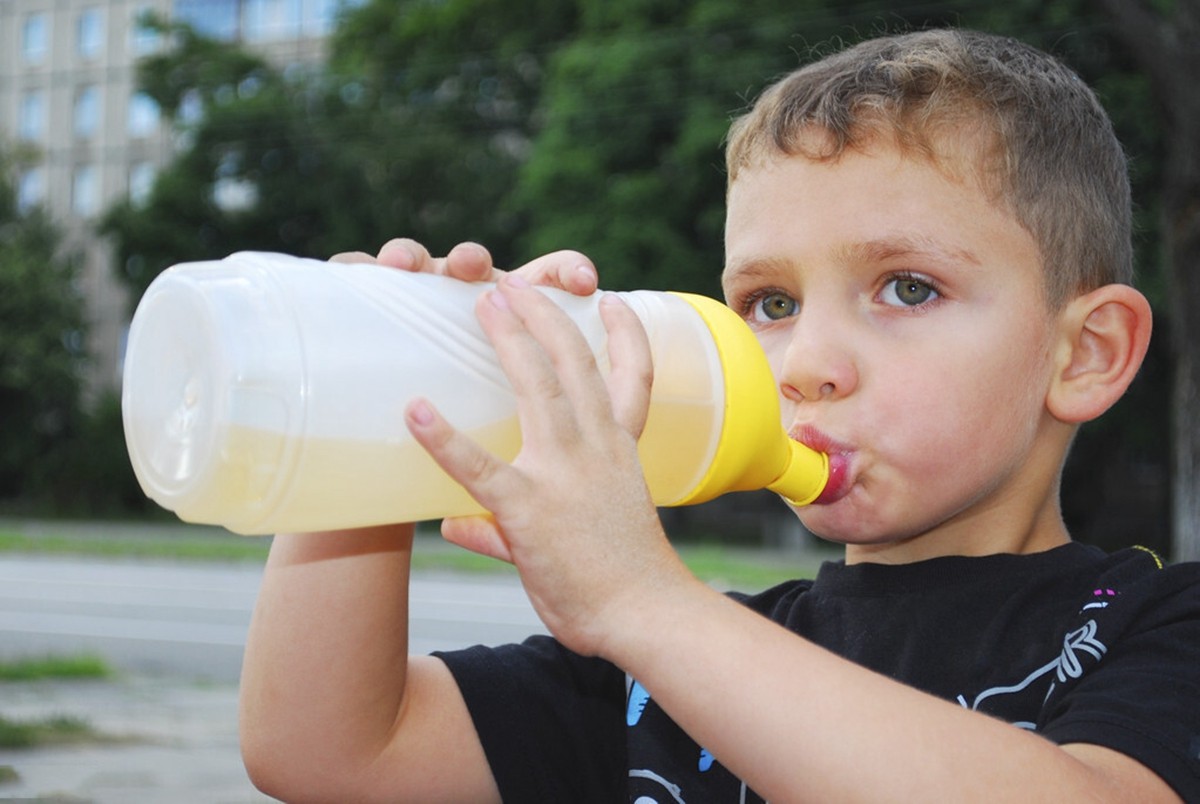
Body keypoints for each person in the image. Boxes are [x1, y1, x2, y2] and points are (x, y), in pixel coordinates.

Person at [238, 28, 1200, 802]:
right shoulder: (663, 673)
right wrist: (365, 415)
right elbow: (329, 752)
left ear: (1085, 353)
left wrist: (639, 601)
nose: (806, 366)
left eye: (907, 288)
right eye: (772, 305)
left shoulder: (1158, 629)